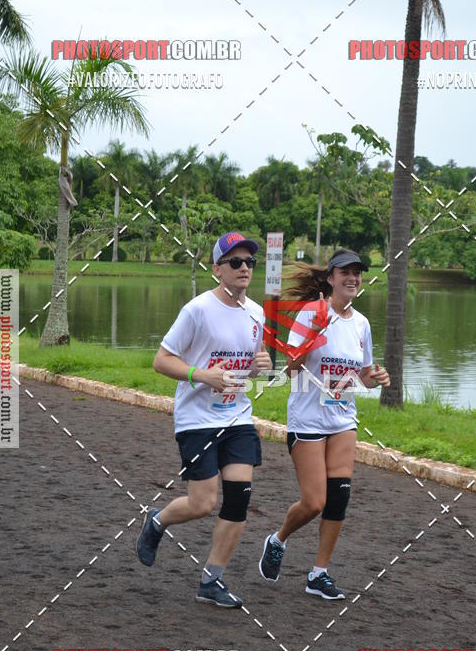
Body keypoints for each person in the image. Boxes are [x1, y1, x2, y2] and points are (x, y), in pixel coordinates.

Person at [137, 232, 272, 608]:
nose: (244, 268)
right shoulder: (196, 309)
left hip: (238, 416)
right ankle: (157, 521)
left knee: (239, 498)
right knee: (202, 503)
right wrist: (202, 375)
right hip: (197, 420)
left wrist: (264, 365)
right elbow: (161, 361)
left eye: (249, 263)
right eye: (235, 262)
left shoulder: (257, 313)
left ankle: (211, 581)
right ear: (217, 270)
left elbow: (253, 366)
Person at [258, 249, 390, 600]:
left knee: (339, 497)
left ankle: (319, 574)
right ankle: (278, 539)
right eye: (345, 272)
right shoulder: (309, 315)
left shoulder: (361, 324)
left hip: (343, 418)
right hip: (308, 419)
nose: (353, 278)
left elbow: (362, 374)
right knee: (314, 502)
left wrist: (375, 376)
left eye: (358, 273)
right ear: (330, 278)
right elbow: (291, 369)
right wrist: (316, 331)